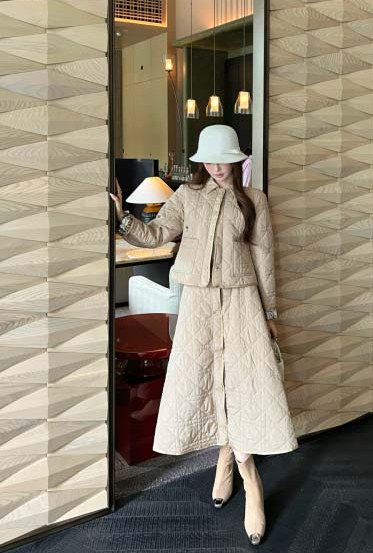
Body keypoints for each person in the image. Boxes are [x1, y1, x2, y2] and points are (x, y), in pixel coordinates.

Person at [110, 124, 298, 546]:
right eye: (209, 160)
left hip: (242, 301)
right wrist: (122, 216)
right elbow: (156, 234)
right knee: (205, 380)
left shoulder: (254, 200)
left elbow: (265, 259)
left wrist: (269, 312)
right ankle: (224, 457)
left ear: (235, 159)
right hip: (197, 303)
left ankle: (249, 479)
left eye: (223, 159)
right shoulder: (187, 197)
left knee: (245, 383)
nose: (216, 167)